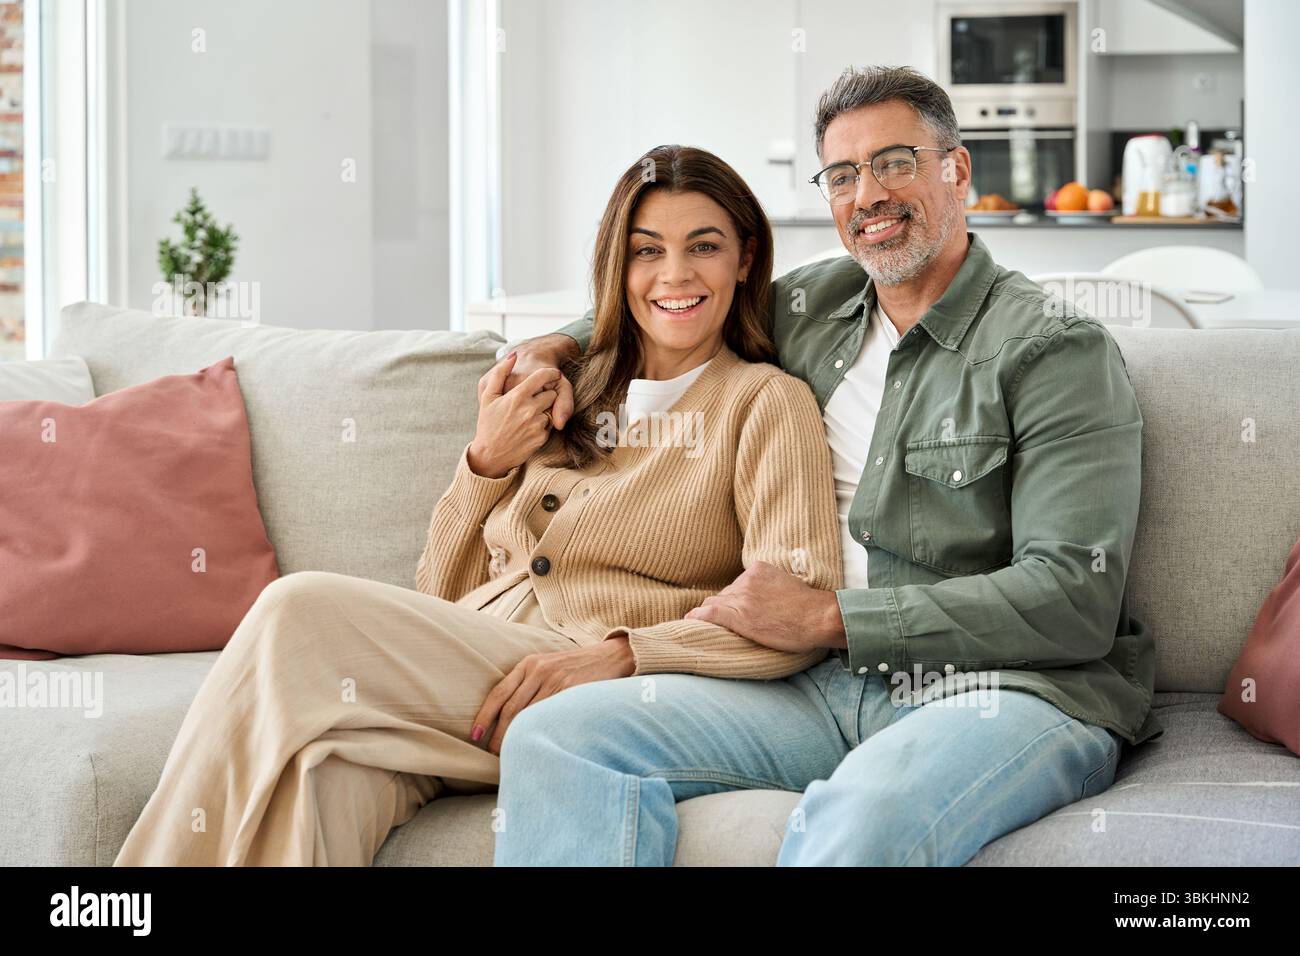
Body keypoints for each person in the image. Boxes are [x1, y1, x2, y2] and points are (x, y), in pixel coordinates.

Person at [492, 65, 1162, 867]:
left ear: (957, 168)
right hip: (813, 688)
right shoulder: (814, 308)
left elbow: (1074, 596)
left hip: (1004, 691)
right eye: (843, 175)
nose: (868, 194)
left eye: (895, 161)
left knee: (866, 814)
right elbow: (673, 300)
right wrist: (561, 344)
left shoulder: (1055, 349)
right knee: (559, 737)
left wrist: (826, 617)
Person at [112, 144, 843, 866]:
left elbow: (790, 616)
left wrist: (624, 656)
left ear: (745, 259)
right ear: (616, 269)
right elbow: (441, 594)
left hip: (574, 672)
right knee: (323, 776)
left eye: (703, 247)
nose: (675, 274)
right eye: (646, 251)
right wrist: (486, 462)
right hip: (469, 659)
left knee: (293, 613)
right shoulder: (564, 391)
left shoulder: (765, 404)